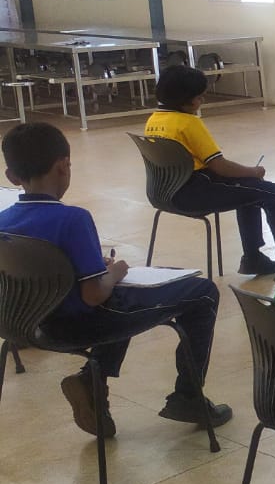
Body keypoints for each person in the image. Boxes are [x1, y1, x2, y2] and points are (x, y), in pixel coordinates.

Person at [0, 122, 232, 438]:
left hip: (25, 327)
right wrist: (115, 271)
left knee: (119, 296)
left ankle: (91, 380)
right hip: (78, 327)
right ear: (64, 166)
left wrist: (95, 268)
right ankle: (188, 397)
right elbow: (94, 295)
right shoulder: (73, 219)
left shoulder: (4, 222)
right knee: (202, 292)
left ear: (12, 176)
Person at [144, 65, 275, 279]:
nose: (202, 100)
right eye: (199, 97)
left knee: (249, 189)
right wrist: (253, 171)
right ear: (186, 99)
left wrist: (247, 176)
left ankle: (253, 259)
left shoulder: (154, 120)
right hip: (194, 192)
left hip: (162, 193)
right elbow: (220, 166)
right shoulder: (188, 123)